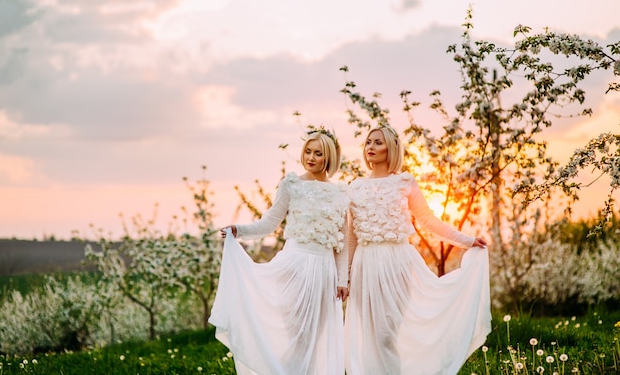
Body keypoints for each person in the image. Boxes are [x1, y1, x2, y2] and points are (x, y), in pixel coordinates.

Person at [344, 124, 491, 375]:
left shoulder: (404, 182)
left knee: (385, 336)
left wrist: (466, 240)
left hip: (397, 263)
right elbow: (351, 236)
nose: (371, 147)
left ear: (391, 148)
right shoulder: (355, 187)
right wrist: (344, 276)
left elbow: (428, 220)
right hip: (364, 266)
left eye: (378, 142)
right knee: (369, 339)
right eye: (369, 142)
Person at [208, 128, 349, 375]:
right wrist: (239, 230)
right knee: (296, 333)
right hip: (295, 266)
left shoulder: (340, 193)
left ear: (329, 157)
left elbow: (343, 242)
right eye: (308, 151)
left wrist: (342, 278)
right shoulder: (291, 184)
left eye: (318, 153)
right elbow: (270, 222)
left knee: (314, 338)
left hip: (324, 271)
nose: (311, 157)